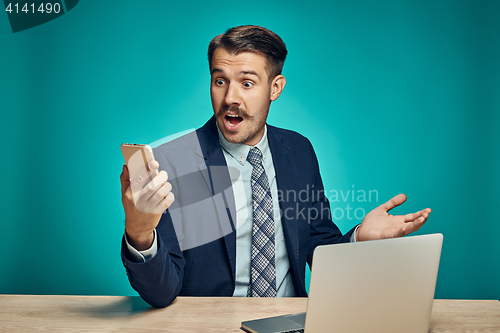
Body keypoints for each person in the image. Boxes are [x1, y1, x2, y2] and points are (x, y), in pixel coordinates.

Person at [119, 25, 431, 308]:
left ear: (275, 88)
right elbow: (162, 292)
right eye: (220, 81)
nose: (230, 98)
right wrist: (140, 234)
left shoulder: (298, 151)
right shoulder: (171, 163)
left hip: (291, 322)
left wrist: (358, 239)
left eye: (247, 83)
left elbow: (317, 246)